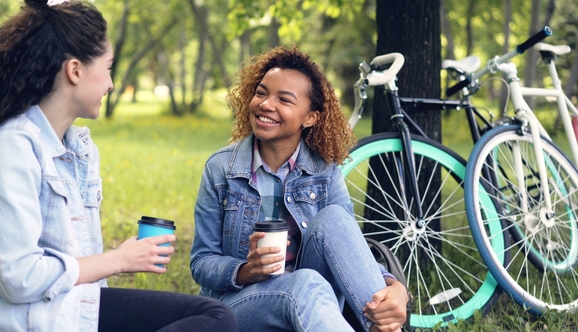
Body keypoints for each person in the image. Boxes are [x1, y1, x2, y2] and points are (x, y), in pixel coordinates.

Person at [0, 1, 237, 331]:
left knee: (214, 315)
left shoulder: (79, 148)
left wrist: (117, 258)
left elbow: (81, 263)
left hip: (79, 308)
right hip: (41, 320)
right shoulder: (14, 146)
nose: (111, 83)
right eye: (108, 67)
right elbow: (18, 278)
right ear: (75, 70)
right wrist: (118, 260)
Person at [190, 45, 408, 332]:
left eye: (284, 99)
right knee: (305, 283)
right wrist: (245, 271)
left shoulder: (325, 171)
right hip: (239, 305)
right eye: (261, 93)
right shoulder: (221, 170)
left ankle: (384, 325)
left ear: (311, 117)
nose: (266, 104)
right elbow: (202, 262)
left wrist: (395, 288)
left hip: (315, 303)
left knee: (335, 220)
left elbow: (346, 246)